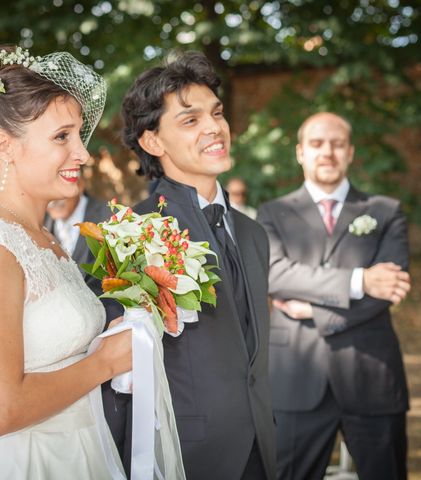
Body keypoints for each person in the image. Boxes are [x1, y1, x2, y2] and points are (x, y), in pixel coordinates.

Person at [0, 45, 131, 479]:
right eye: (62, 137)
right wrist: (105, 362)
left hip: (77, 452)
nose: (83, 154)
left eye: (78, 135)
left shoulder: (41, 238)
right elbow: (0, 410)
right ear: (5, 147)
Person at [104, 51, 277, 480]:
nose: (214, 128)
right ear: (152, 142)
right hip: (181, 453)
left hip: (263, 449)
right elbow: (114, 368)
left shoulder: (254, 235)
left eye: (216, 114)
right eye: (190, 120)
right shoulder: (132, 235)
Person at [256, 112, 411, 480]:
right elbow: (276, 274)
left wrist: (310, 308)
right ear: (300, 153)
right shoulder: (273, 213)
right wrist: (359, 280)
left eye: (337, 144)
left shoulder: (385, 211)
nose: (328, 152)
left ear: (351, 152)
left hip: (371, 374)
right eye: (317, 144)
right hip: (294, 377)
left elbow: (388, 289)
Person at [43, 175, 111, 295]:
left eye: (59, 186)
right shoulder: (40, 227)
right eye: (48, 189)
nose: (54, 199)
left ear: (80, 184)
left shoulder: (108, 218)